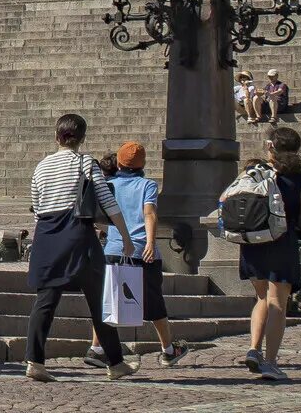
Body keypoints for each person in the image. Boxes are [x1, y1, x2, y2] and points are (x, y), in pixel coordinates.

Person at [23, 112, 129, 381]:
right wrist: (125, 236)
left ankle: (35, 361)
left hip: (47, 234)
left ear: (56, 136)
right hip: (77, 234)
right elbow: (107, 201)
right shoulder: (85, 163)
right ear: (82, 138)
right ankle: (115, 363)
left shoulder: (41, 166)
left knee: (45, 301)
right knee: (98, 301)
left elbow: (37, 207)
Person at [237, 126, 301, 382]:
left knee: (262, 297)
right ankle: (271, 362)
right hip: (281, 242)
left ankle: (254, 348)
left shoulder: (253, 171)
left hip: (253, 242)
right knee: (278, 302)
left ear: (270, 147)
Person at [85, 141, 185, 369]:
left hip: (113, 250)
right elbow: (149, 213)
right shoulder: (147, 185)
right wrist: (151, 241)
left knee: (107, 300)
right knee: (154, 303)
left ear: (119, 162)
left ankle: (96, 347)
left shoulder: (109, 184)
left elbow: (101, 218)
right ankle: (168, 350)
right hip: (142, 250)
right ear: (143, 164)